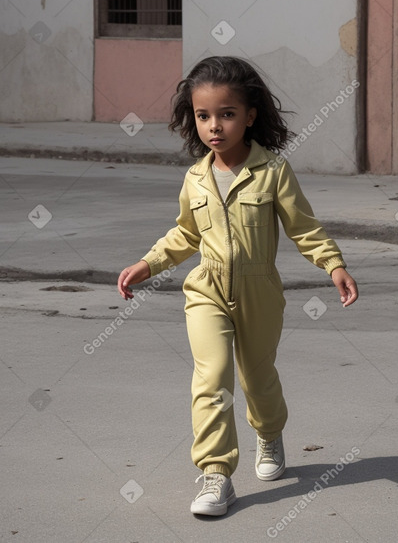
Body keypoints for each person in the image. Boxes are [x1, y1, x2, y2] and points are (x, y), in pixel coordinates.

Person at [117, 55, 358, 517]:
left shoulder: (273, 173)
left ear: (250, 116)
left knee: (257, 377)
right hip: (205, 288)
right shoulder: (195, 178)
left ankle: (268, 435)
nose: (214, 126)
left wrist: (333, 265)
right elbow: (187, 233)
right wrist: (148, 262)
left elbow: (303, 227)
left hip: (259, 291)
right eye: (203, 116)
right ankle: (216, 474)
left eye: (226, 114)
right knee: (211, 379)